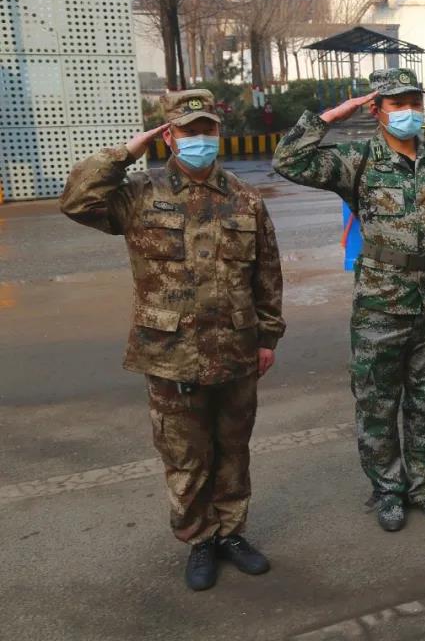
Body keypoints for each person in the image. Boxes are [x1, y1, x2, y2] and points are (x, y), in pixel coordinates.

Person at [60, 89, 285, 591]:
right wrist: (126, 152)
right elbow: (75, 201)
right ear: (169, 136)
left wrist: (268, 336)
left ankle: (231, 533)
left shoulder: (246, 199)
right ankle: (199, 538)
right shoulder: (139, 194)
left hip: (235, 349)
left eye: (208, 129)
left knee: (233, 448)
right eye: (189, 130)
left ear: (218, 133)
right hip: (169, 354)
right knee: (184, 455)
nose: (200, 138)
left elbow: (267, 275)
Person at [273, 68, 425, 531]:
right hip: (380, 304)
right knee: (377, 402)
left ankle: (423, 486)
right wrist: (333, 115)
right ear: (377, 110)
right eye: (396, 104)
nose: (408, 111)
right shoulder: (359, 159)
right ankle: (387, 490)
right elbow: (287, 161)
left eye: (413, 102)